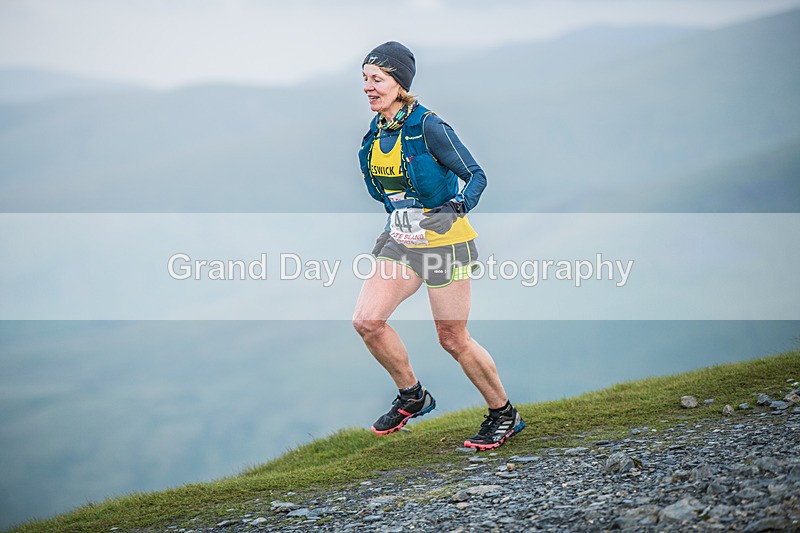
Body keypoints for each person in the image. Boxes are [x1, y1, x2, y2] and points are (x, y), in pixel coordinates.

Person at [352, 41, 525, 450]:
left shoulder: (430, 126)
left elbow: (476, 175)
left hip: (445, 241)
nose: (368, 88)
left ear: (398, 83)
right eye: (364, 80)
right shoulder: (375, 132)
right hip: (402, 239)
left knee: (452, 338)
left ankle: (504, 414)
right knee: (367, 321)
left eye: (376, 79)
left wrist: (456, 206)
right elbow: (383, 190)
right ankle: (413, 395)